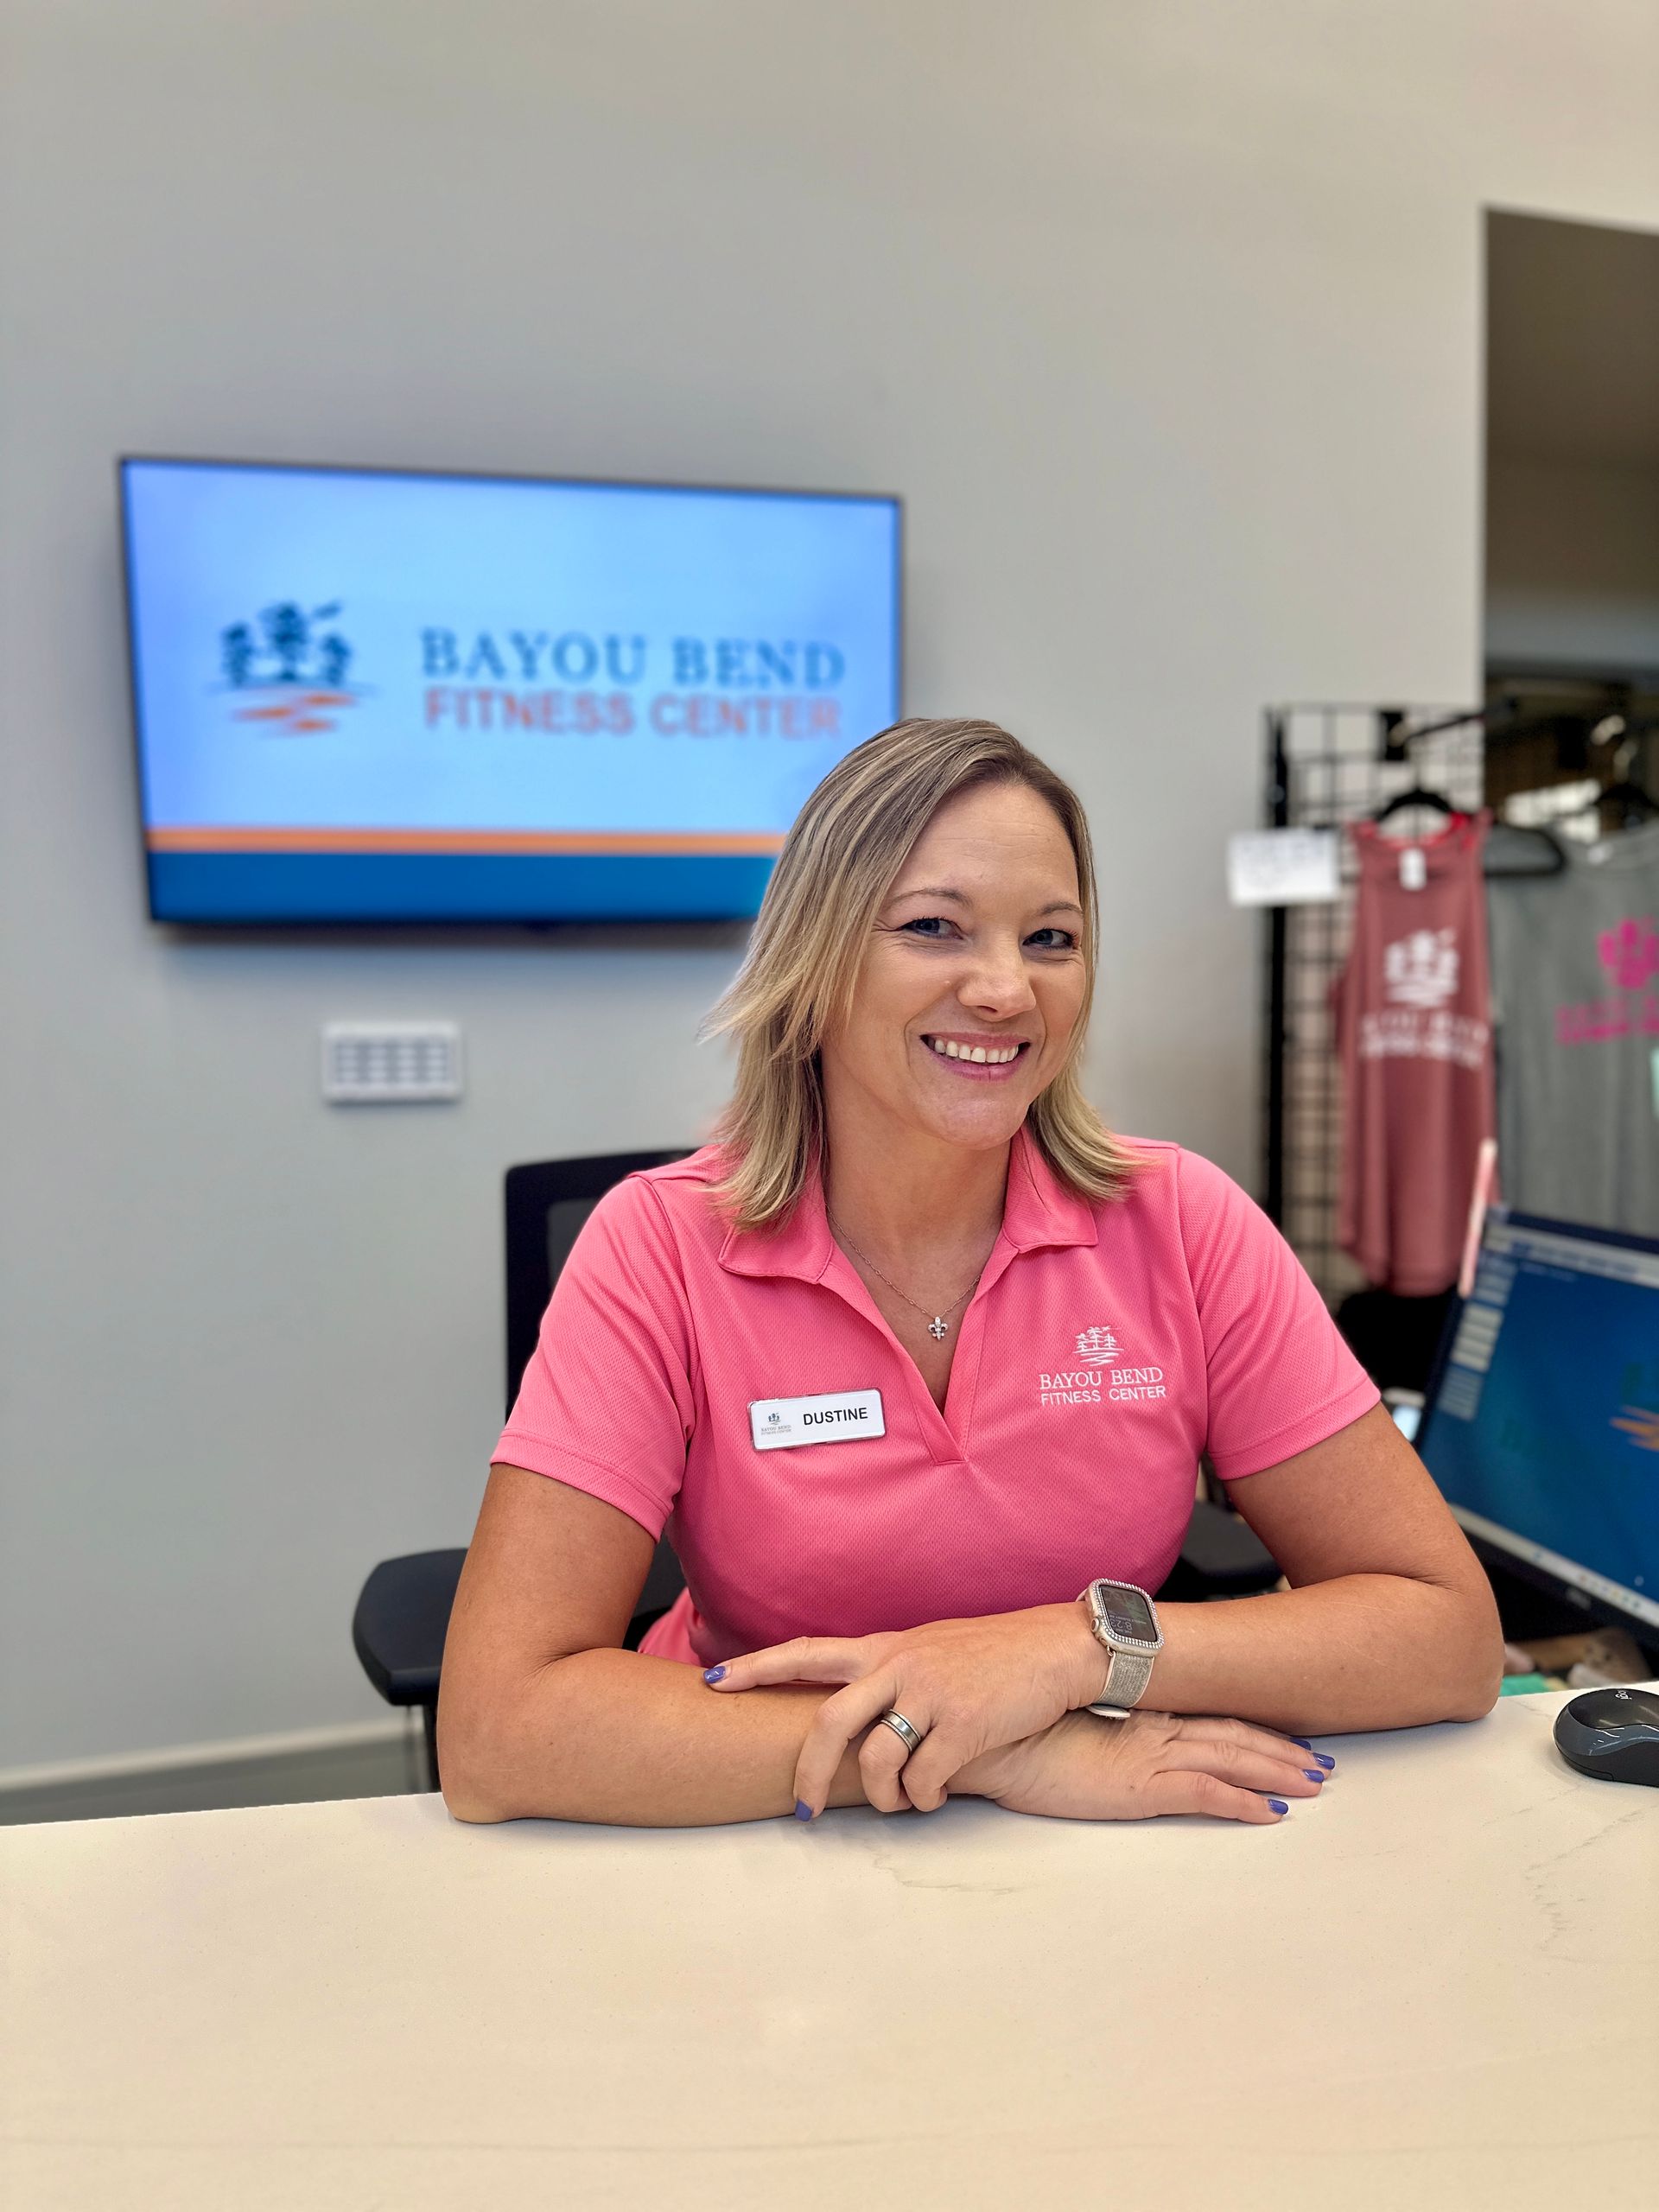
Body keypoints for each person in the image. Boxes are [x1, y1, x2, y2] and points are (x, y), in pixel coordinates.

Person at [440, 719, 1502, 1828]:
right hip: (761, 1830)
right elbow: (497, 1732)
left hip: (1095, 1848)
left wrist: (1073, 1651)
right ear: (819, 956)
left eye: (1051, 938)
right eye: (935, 928)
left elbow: (1449, 1637)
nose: (1004, 989)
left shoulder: (1182, 1223)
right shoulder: (658, 1247)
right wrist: (980, 1748)